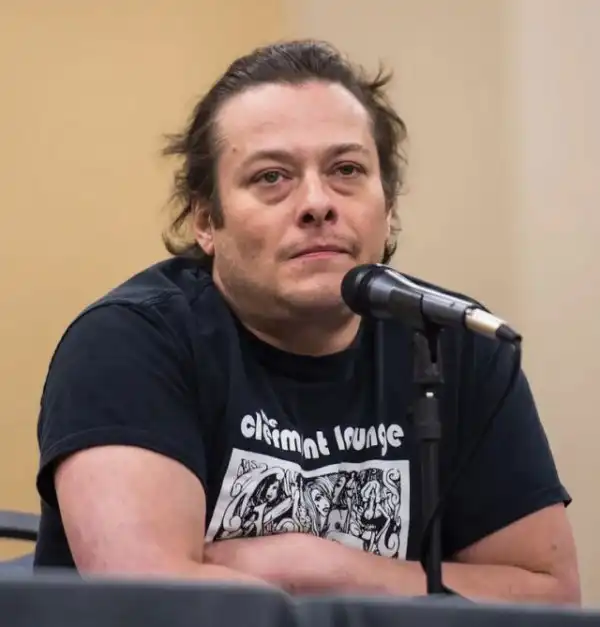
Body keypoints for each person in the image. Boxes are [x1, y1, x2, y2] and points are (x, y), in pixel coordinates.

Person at [34, 39, 580, 605]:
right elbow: (152, 602)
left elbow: (549, 597)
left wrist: (331, 573)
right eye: (272, 177)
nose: (317, 203)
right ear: (205, 220)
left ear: (389, 207)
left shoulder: (450, 340)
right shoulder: (126, 345)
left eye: (346, 170)